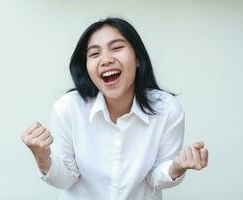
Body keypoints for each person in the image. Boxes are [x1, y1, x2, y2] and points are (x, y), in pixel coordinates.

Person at [20, 17, 209, 200]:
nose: (106, 59)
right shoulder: (68, 108)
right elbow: (66, 179)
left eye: (117, 48)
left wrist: (176, 166)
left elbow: (156, 177)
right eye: (94, 54)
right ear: (87, 68)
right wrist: (43, 157)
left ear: (138, 59)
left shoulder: (167, 108)